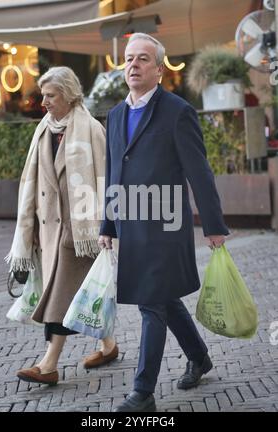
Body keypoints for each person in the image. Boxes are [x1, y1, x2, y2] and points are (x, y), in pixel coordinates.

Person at [98, 33, 229, 412]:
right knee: (164, 299)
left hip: (165, 225)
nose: (133, 65)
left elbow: (199, 172)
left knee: (150, 303)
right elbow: (113, 172)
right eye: (128, 59)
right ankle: (199, 357)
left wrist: (214, 224)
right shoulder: (116, 114)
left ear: (159, 69)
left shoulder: (177, 111)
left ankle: (142, 393)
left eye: (142, 59)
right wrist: (108, 224)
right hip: (131, 227)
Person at [6, 66, 118, 386]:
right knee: (83, 295)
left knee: (60, 295)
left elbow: (104, 179)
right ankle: (108, 345)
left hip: (80, 229)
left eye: (50, 95)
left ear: (69, 95)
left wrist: (102, 226)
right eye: (43, 95)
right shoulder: (44, 128)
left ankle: (48, 364)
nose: (44, 102)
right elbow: (35, 182)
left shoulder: (91, 129)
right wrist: (31, 232)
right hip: (49, 230)